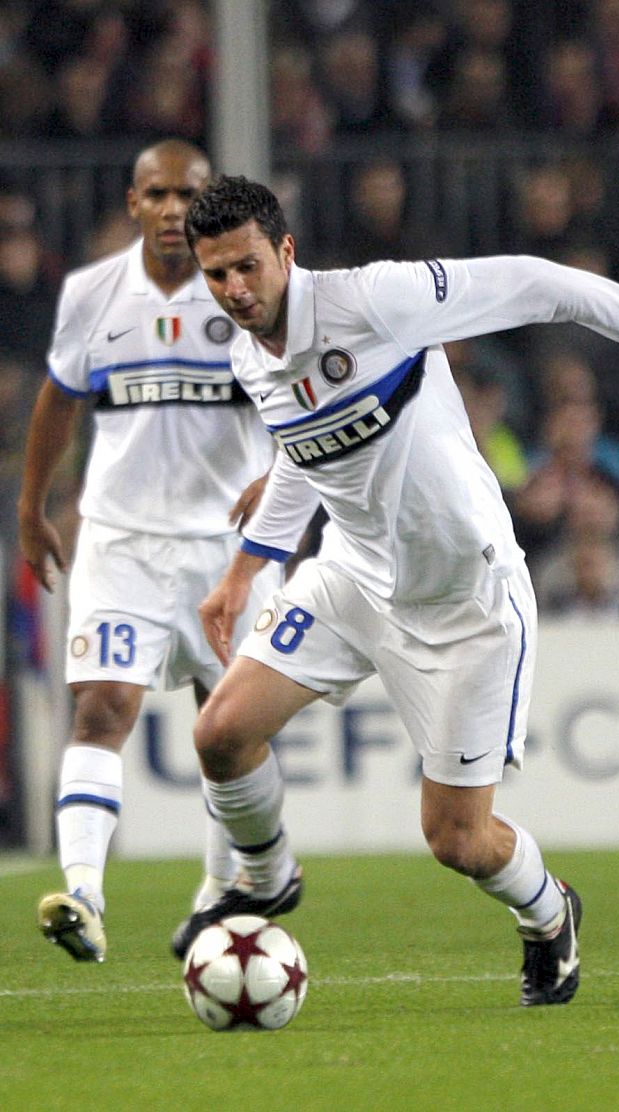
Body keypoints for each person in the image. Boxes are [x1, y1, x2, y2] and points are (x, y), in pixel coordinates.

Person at [170, 175, 619, 1007]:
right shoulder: (246, 351)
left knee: (457, 841)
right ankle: (267, 877)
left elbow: (531, 278)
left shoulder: (377, 300)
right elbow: (308, 455)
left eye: (246, 267)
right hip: (353, 579)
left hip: (467, 602)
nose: (234, 290)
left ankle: (548, 912)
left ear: (286, 252)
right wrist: (244, 569)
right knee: (221, 736)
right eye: (215, 276)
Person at [21, 140, 276, 963]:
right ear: (133, 203)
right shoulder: (93, 295)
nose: (172, 208)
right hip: (121, 542)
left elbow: (299, 388)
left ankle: (222, 888)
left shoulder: (239, 290)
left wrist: (278, 474)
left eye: (188, 195)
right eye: (158, 194)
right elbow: (58, 401)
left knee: (228, 728)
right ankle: (86, 896)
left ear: (210, 205)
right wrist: (31, 506)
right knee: (102, 707)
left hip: (225, 550)